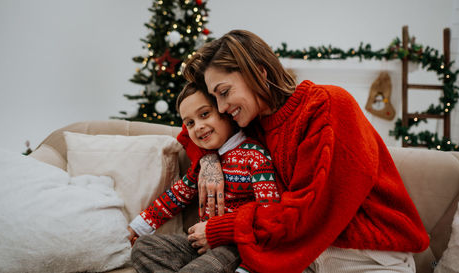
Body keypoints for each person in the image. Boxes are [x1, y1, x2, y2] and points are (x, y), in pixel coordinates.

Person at [176, 30, 429, 273]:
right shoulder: (252, 122)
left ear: (259, 73)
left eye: (224, 92)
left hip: (367, 256)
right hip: (299, 256)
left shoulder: (326, 106)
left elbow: (308, 211)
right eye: (214, 98)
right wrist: (209, 161)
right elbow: (189, 133)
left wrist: (224, 228)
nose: (220, 107)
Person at [129, 82, 280, 273]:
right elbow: (175, 197)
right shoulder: (203, 164)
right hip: (199, 246)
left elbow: (268, 212)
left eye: (204, 114)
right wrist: (135, 229)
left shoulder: (255, 156)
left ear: (225, 112)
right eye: (190, 123)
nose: (198, 127)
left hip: (235, 248)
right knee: (144, 248)